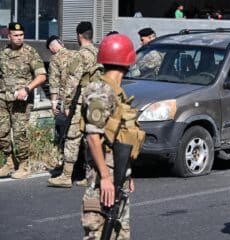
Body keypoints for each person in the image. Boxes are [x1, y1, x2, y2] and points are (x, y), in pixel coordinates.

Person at [81, 33, 136, 239]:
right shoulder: (101, 92)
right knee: (98, 232)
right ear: (128, 62)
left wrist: (128, 173)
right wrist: (105, 177)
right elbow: (93, 137)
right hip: (101, 178)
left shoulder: (117, 93)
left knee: (120, 232)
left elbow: (121, 137)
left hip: (118, 176)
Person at [48, 21, 98, 187]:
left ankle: (66, 176)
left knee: (72, 136)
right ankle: (90, 175)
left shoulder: (79, 55)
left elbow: (72, 82)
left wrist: (67, 104)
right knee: (91, 137)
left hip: (80, 100)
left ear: (79, 36)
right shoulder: (99, 52)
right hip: (96, 100)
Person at [0, 22, 46, 179]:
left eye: (21, 35)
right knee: (2, 132)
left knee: (19, 133)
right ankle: (8, 162)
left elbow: (41, 76)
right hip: (3, 99)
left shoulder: (30, 53)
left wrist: (27, 89)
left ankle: (24, 165)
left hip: (22, 102)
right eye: (16, 35)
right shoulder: (3, 53)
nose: (19, 38)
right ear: (9, 36)